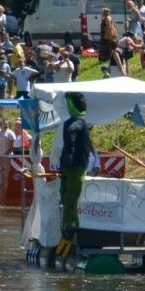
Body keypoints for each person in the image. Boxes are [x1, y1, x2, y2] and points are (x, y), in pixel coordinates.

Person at [56, 92, 92, 251]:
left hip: (77, 166)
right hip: (68, 165)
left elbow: (73, 129)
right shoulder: (71, 123)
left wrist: (68, 156)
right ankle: (67, 225)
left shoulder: (79, 123)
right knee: (64, 194)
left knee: (71, 197)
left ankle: (72, 226)